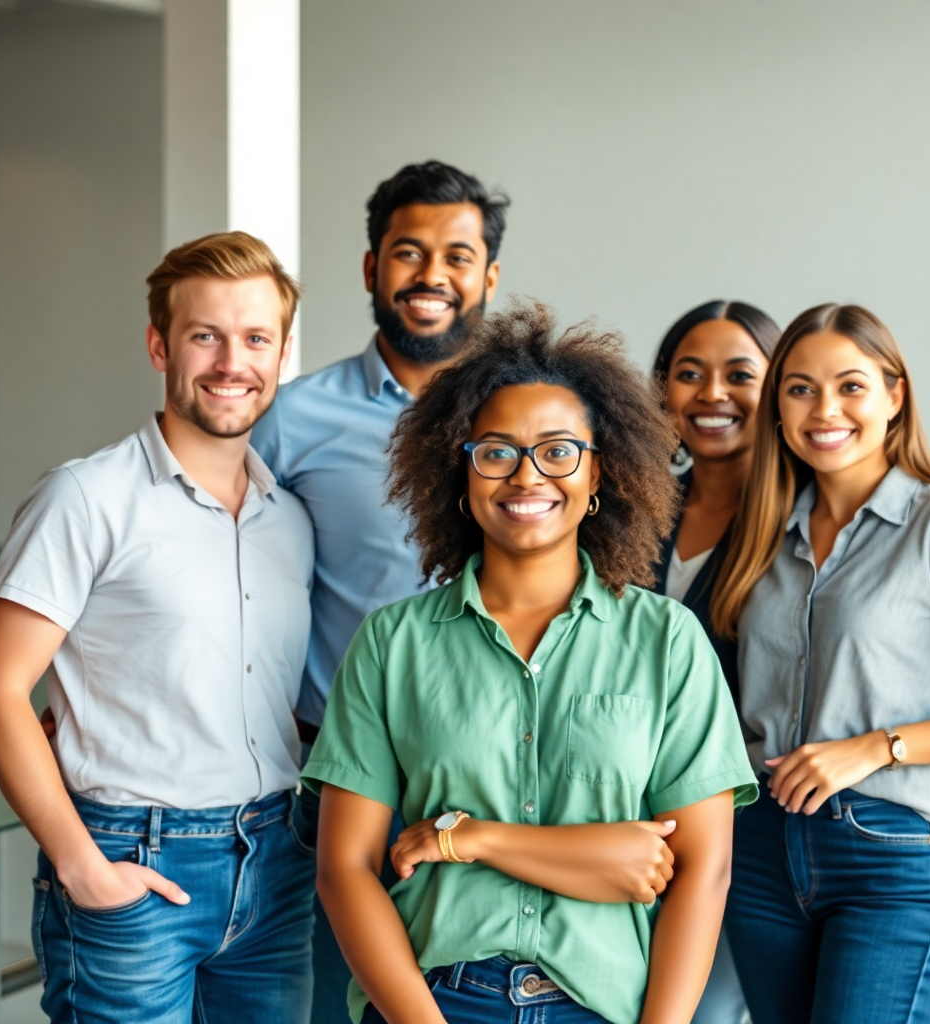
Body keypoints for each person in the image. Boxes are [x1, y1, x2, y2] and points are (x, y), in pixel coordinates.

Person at [303, 302, 759, 1024]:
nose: (526, 476)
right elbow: (344, 868)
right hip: (439, 999)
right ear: (460, 471)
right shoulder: (393, 644)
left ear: (600, 472)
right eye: (496, 451)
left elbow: (701, 871)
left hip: (602, 1005)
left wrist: (470, 839)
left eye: (557, 450)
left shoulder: (668, 642)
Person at [0, 232, 316, 1024]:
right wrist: (81, 865)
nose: (231, 362)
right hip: (132, 859)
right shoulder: (86, 498)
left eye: (255, 339)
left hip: (279, 864)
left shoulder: (291, 518)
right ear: (158, 344)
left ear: (280, 355)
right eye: (205, 336)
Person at [249, 159, 509, 1023]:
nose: (432, 274)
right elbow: (226, 572)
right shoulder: (294, 418)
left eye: (457, 255)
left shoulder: (532, 418)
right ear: (371, 269)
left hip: (505, 775)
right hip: (344, 777)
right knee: (331, 1003)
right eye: (408, 251)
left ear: (489, 277)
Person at [711, 304, 930, 1024]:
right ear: (778, 409)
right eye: (800, 388)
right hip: (759, 854)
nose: (825, 410)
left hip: (892, 853)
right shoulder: (762, 540)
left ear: (894, 396)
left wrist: (877, 749)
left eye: (851, 386)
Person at [651, 300, 780, 1024]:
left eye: (739, 375)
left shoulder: (800, 524)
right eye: (688, 374)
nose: (711, 395)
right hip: (631, 822)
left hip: (750, 827)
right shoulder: (629, 512)